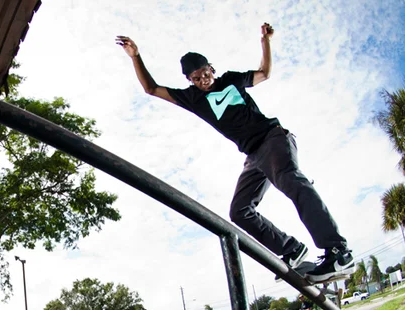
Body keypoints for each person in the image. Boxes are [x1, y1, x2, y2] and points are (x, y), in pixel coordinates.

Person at [115, 24, 354, 283]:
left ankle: (338, 252)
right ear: (190, 81)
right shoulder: (192, 98)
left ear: (212, 69)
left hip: (272, 138)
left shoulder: (231, 79)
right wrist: (135, 56)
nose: (203, 80)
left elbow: (264, 73)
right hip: (253, 157)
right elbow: (151, 88)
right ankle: (291, 250)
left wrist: (265, 42)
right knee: (239, 211)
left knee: (290, 180)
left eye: (205, 73)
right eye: (196, 78)